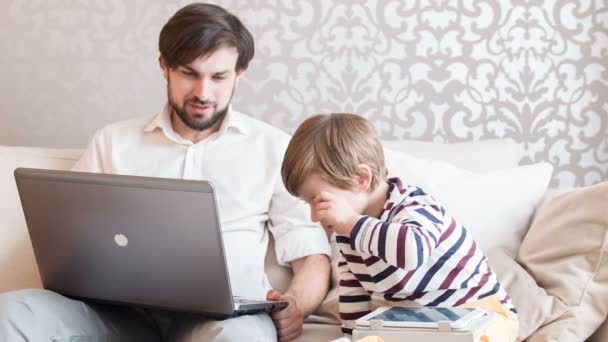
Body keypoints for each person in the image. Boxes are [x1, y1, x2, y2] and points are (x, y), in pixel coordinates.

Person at [0, 3, 331, 342]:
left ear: (239, 74)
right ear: (165, 66)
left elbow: (311, 256)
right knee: (9, 313)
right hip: (114, 315)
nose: (203, 92)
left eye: (218, 77)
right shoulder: (113, 142)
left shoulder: (273, 148)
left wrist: (295, 304)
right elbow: (66, 239)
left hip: (223, 322)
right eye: (189, 73)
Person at [280, 113, 519, 341]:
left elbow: (412, 251)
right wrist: (354, 334)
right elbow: (355, 294)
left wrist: (350, 223)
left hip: (480, 312)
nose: (314, 216)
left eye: (319, 200)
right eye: (307, 203)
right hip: (419, 324)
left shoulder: (415, 205)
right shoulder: (348, 234)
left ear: (361, 179)